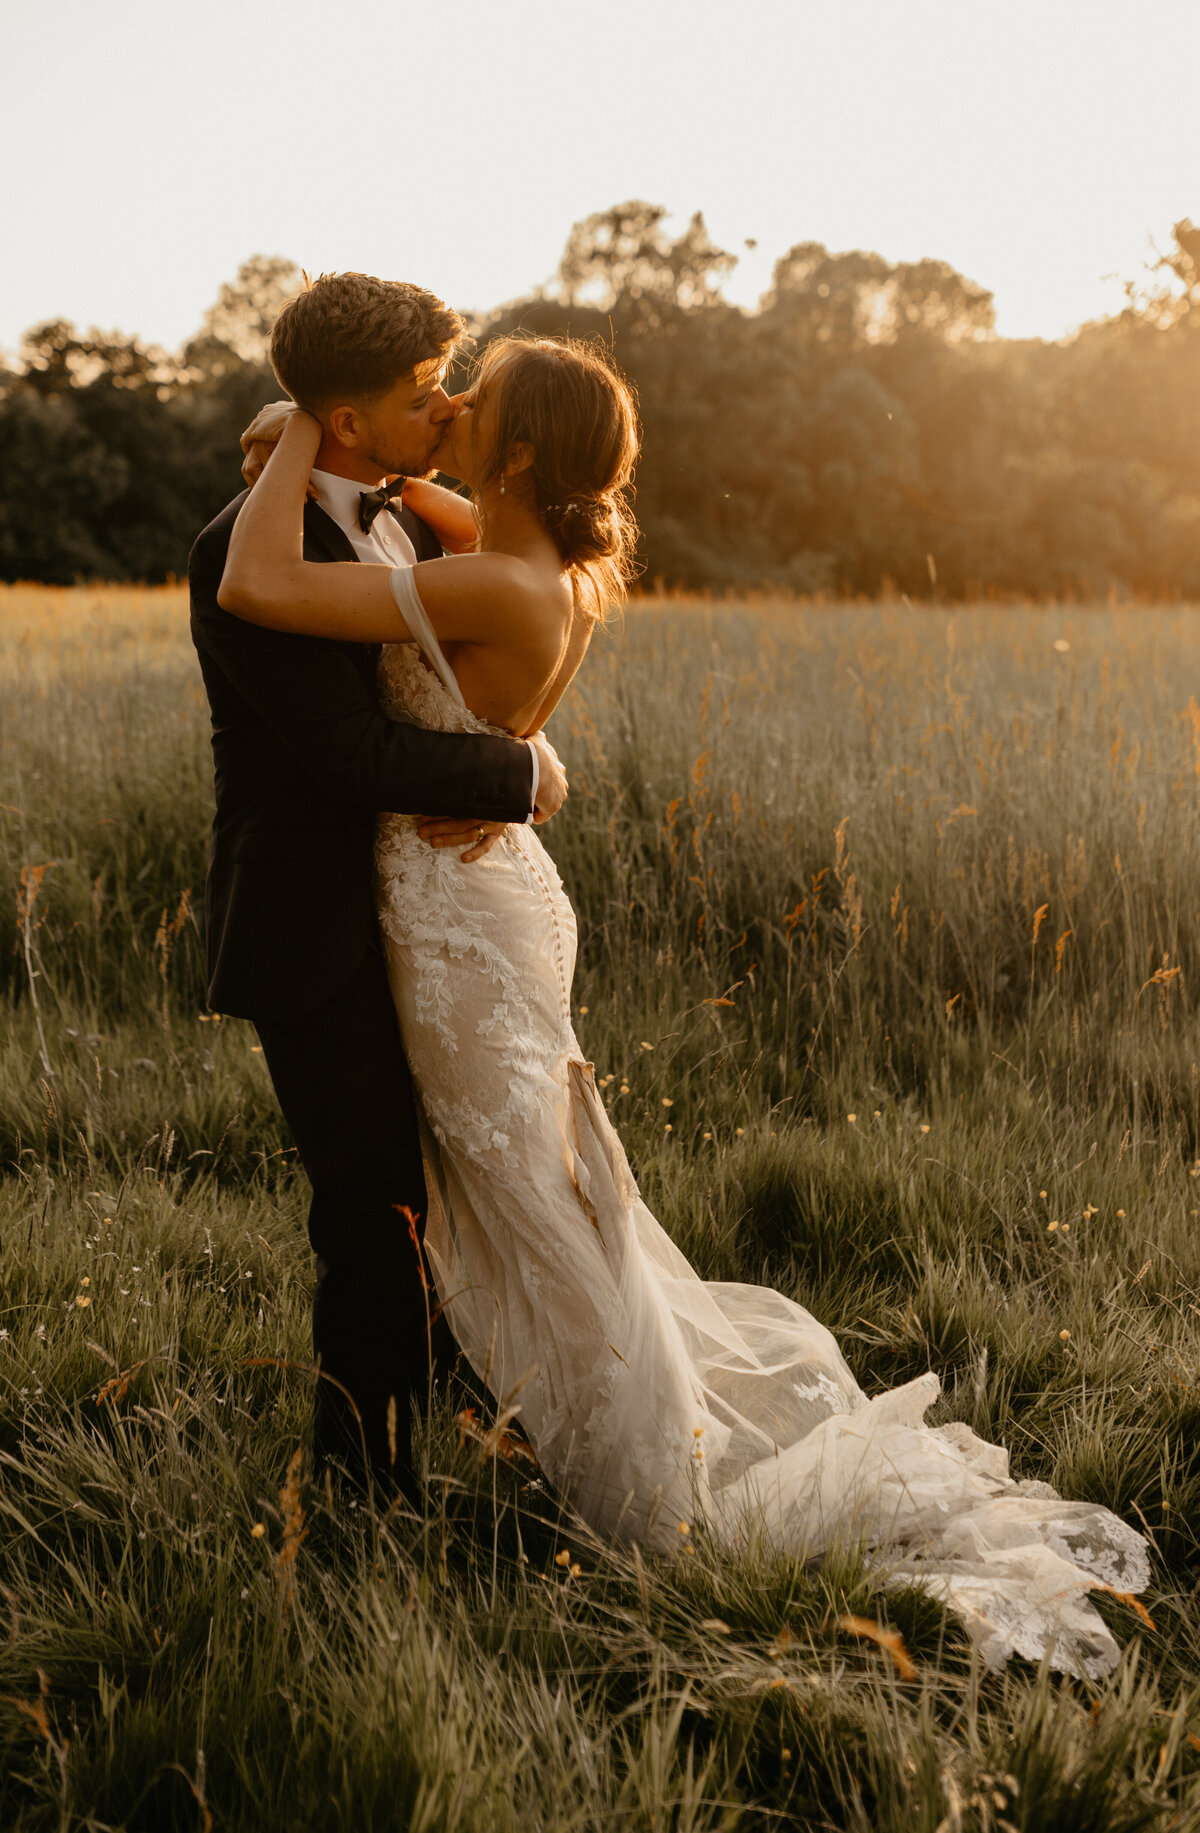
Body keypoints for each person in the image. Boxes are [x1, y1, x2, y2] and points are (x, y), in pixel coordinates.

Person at [221, 332, 1150, 1678]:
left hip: (455, 912)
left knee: (531, 1193)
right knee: (535, 1177)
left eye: (481, 398)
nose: (458, 402)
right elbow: (429, 513)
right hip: (500, 891)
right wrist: (370, 462)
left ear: (530, 452)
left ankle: (648, 1480)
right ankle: (505, 1419)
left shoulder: (493, 573)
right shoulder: (546, 560)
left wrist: (304, 424)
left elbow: (258, 579)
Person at [187, 274, 567, 1500]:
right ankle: (362, 1490)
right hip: (312, 922)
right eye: (422, 394)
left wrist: (531, 751)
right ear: (347, 421)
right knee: (371, 1212)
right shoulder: (241, 548)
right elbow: (352, 757)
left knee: (449, 1188)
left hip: (423, 914)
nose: (449, 406)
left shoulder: (400, 512)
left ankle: (466, 1421)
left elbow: (535, 595)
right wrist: (520, 770)